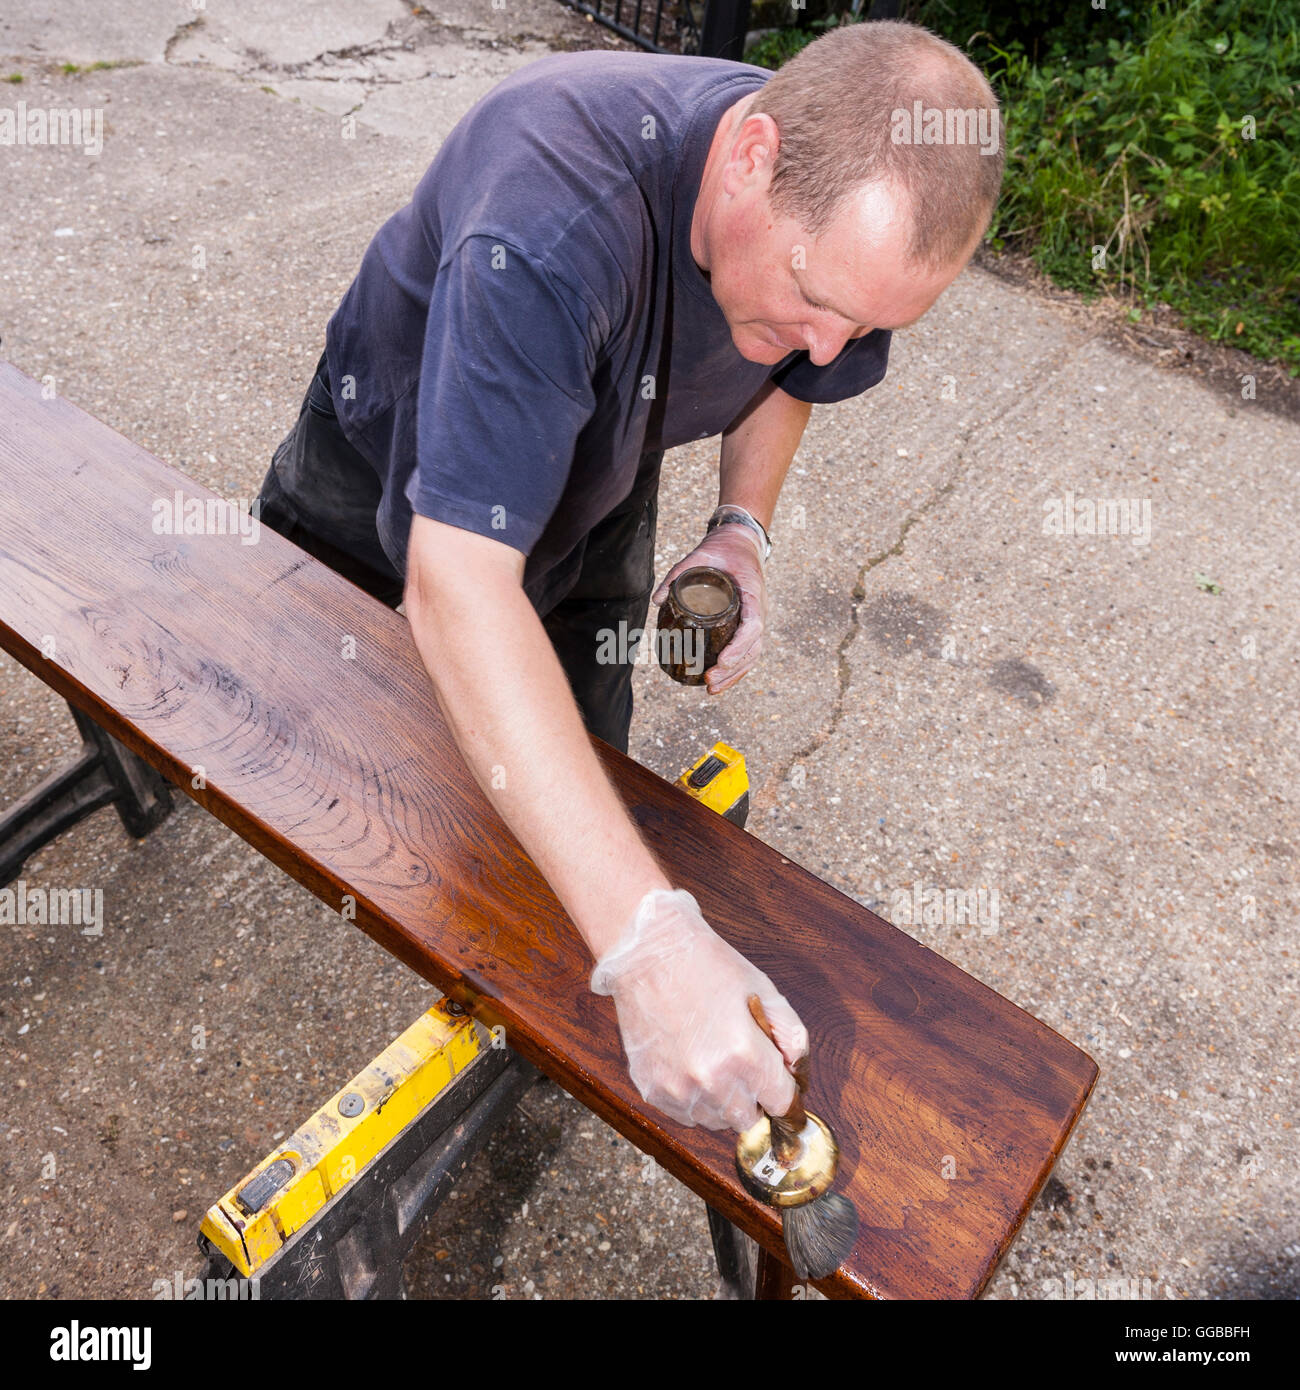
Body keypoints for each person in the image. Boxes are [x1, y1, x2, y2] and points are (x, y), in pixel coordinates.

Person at [255, 19, 1004, 1135]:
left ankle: (534, 997)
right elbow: (455, 582)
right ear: (748, 158)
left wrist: (740, 526)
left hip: (605, 451)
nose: (832, 344)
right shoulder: (549, 216)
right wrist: (647, 938)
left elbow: (793, 372)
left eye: (869, 325)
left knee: (570, 766)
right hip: (396, 467)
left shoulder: (820, 205)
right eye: (817, 301)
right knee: (318, 753)